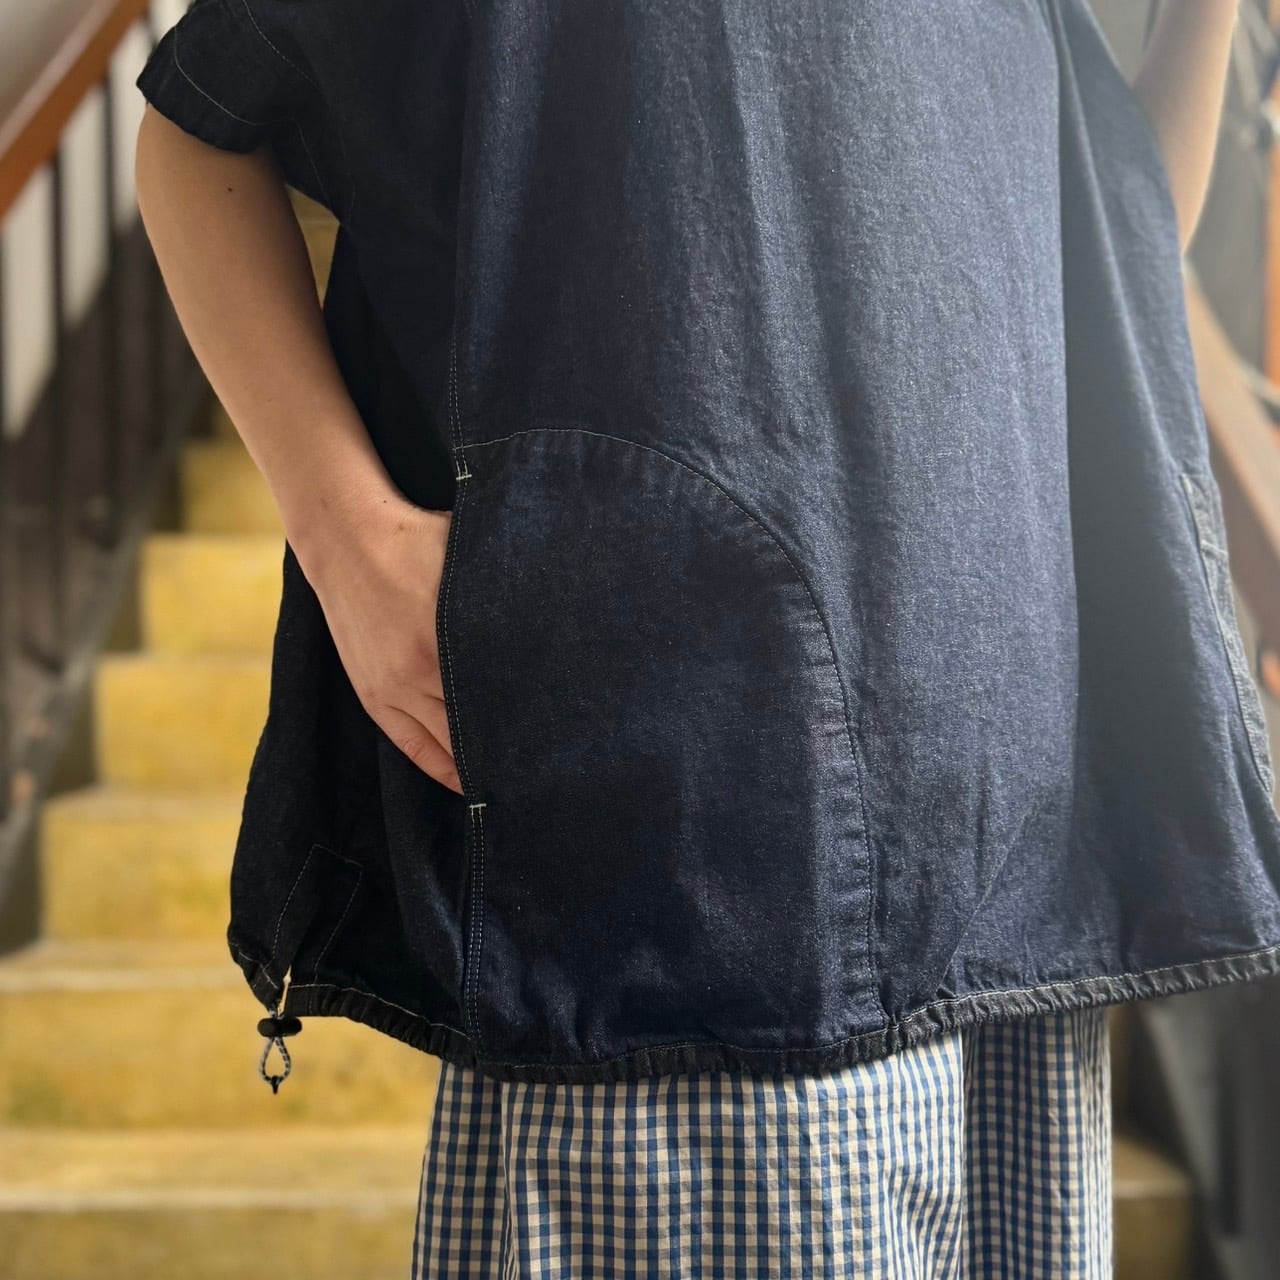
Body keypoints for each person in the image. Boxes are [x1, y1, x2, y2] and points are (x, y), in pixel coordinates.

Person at [134, 0, 1270, 1274]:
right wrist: (350, 544)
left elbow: (1106, 268)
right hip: (706, 870)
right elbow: (198, 129)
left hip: (1009, 881)